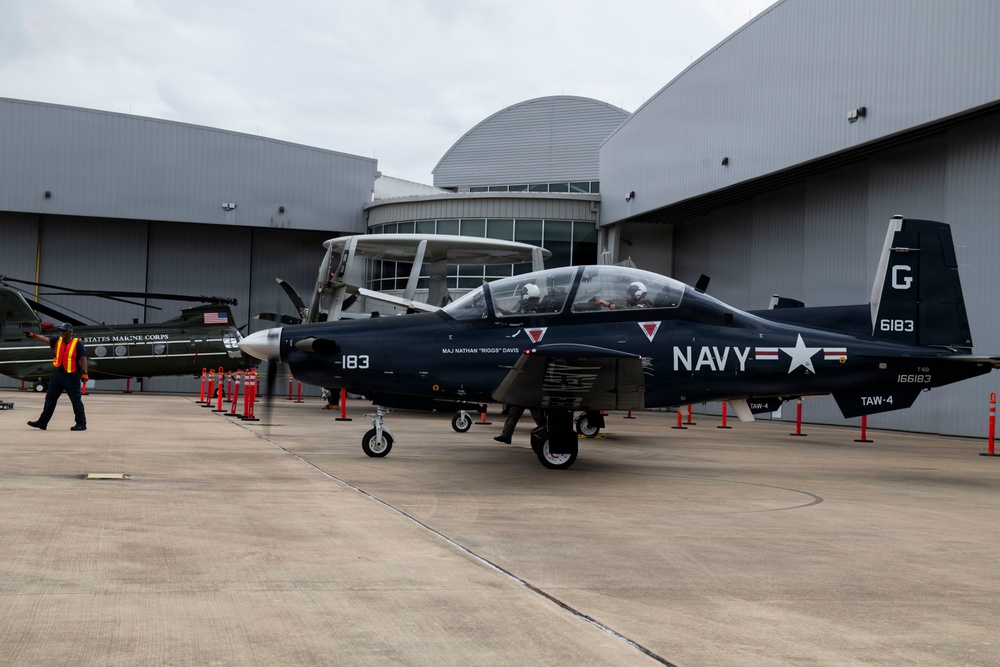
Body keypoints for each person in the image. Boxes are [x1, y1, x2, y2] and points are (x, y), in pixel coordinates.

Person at [26, 322, 89, 431]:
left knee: (75, 400)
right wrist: (34, 335)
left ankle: (81, 423)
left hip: (71, 375)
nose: (61, 332)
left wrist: (84, 372)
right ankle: (42, 422)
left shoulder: (77, 343)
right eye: (60, 330)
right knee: (50, 398)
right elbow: (45, 339)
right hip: (58, 374)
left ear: (70, 331)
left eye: (64, 330)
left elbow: (82, 358)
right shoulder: (57, 341)